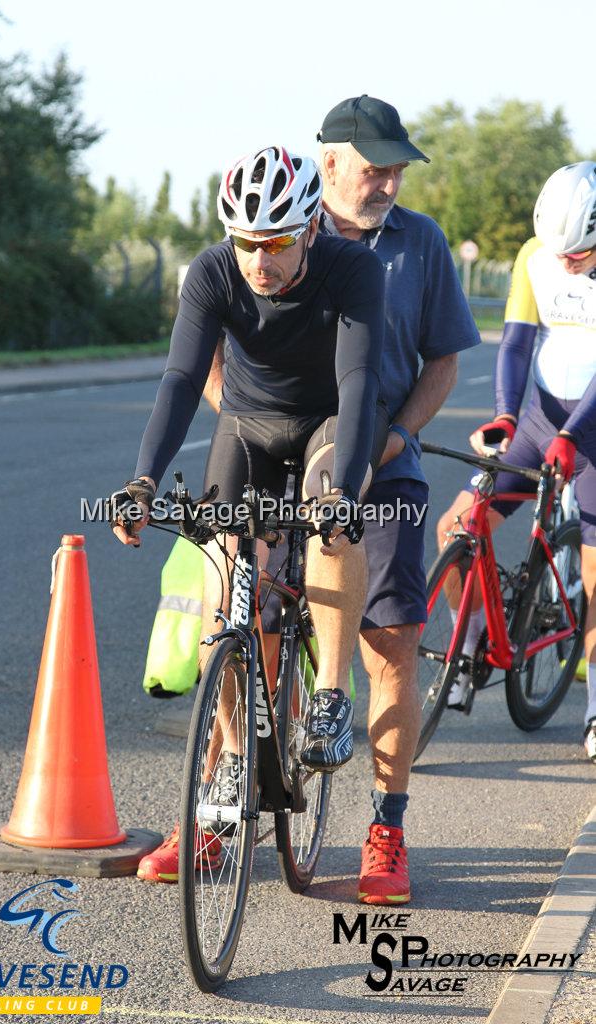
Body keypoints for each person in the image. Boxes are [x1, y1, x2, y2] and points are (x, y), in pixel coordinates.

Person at [202, 96, 481, 904]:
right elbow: (209, 354)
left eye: (396, 167)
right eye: (374, 166)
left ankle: (386, 826)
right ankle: (221, 800)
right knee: (237, 617)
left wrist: (394, 440)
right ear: (328, 163)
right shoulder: (272, 224)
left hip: (380, 466)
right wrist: (250, 429)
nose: (388, 180)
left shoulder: (419, 244)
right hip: (277, 454)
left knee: (389, 638)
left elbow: (440, 365)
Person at [113, 145, 387, 881]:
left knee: (332, 521)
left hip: (329, 419)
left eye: (273, 243)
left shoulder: (352, 269)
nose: (257, 261)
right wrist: (142, 480)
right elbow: (178, 378)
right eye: (244, 243)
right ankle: (233, 757)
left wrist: (342, 489)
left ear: (307, 231)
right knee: (223, 588)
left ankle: (328, 693)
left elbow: (359, 378)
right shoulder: (210, 272)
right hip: (247, 425)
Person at [436, 161, 596, 764]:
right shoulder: (537, 253)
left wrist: (575, 434)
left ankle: (594, 708)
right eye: (559, 251)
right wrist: (506, 414)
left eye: (579, 253)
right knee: (456, 525)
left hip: (595, 432)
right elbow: (517, 341)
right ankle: (468, 643)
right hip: (540, 420)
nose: (565, 262)